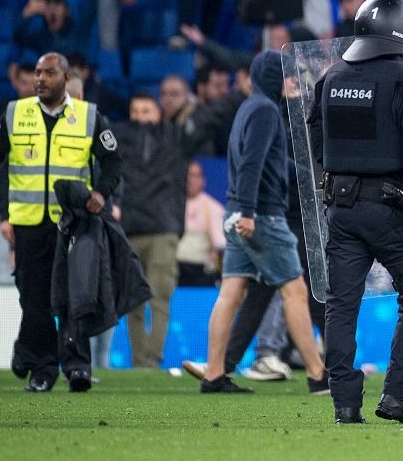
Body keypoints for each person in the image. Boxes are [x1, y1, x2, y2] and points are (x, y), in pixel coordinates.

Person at [312, 0, 403, 423]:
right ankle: (397, 396)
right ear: (400, 32)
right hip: (391, 209)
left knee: (341, 303)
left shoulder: (332, 77)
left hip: (341, 207)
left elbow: (317, 140)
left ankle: (344, 405)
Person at [0, 53, 121, 392]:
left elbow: (113, 162)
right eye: (38, 73)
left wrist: (101, 192)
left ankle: (77, 366)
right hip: (29, 223)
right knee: (34, 298)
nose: (40, 79)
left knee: (77, 296)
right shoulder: (15, 113)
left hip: (73, 222)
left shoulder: (88, 116)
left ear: (67, 77)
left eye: (49, 73)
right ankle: (42, 367)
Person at [193, 50, 327, 396]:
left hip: (236, 211)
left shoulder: (251, 108)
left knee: (231, 292)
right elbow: (253, 164)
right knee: (296, 291)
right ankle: (317, 374)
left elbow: (265, 162)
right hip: (263, 215)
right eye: (287, 75)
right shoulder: (266, 111)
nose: (293, 81)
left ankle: (215, 374)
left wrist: (241, 210)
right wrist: (251, 213)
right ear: (273, 77)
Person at [117, 93, 187, 370]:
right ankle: (139, 362)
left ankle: (151, 361)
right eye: (135, 111)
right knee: (133, 300)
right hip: (130, 229)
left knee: (159, 297)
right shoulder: (119, 139)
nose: (140, 116)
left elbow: (201, 116)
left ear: (158, 113)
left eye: (146, 110)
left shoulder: (174, 138)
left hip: (163, 229)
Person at [178, 161, 226, 285]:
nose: (190, 180)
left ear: (202, 180)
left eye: (194, 175)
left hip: (199, 272)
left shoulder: (212, 208)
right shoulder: (172, 204)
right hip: (173, 268)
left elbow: (220, 246)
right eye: (187, 175)